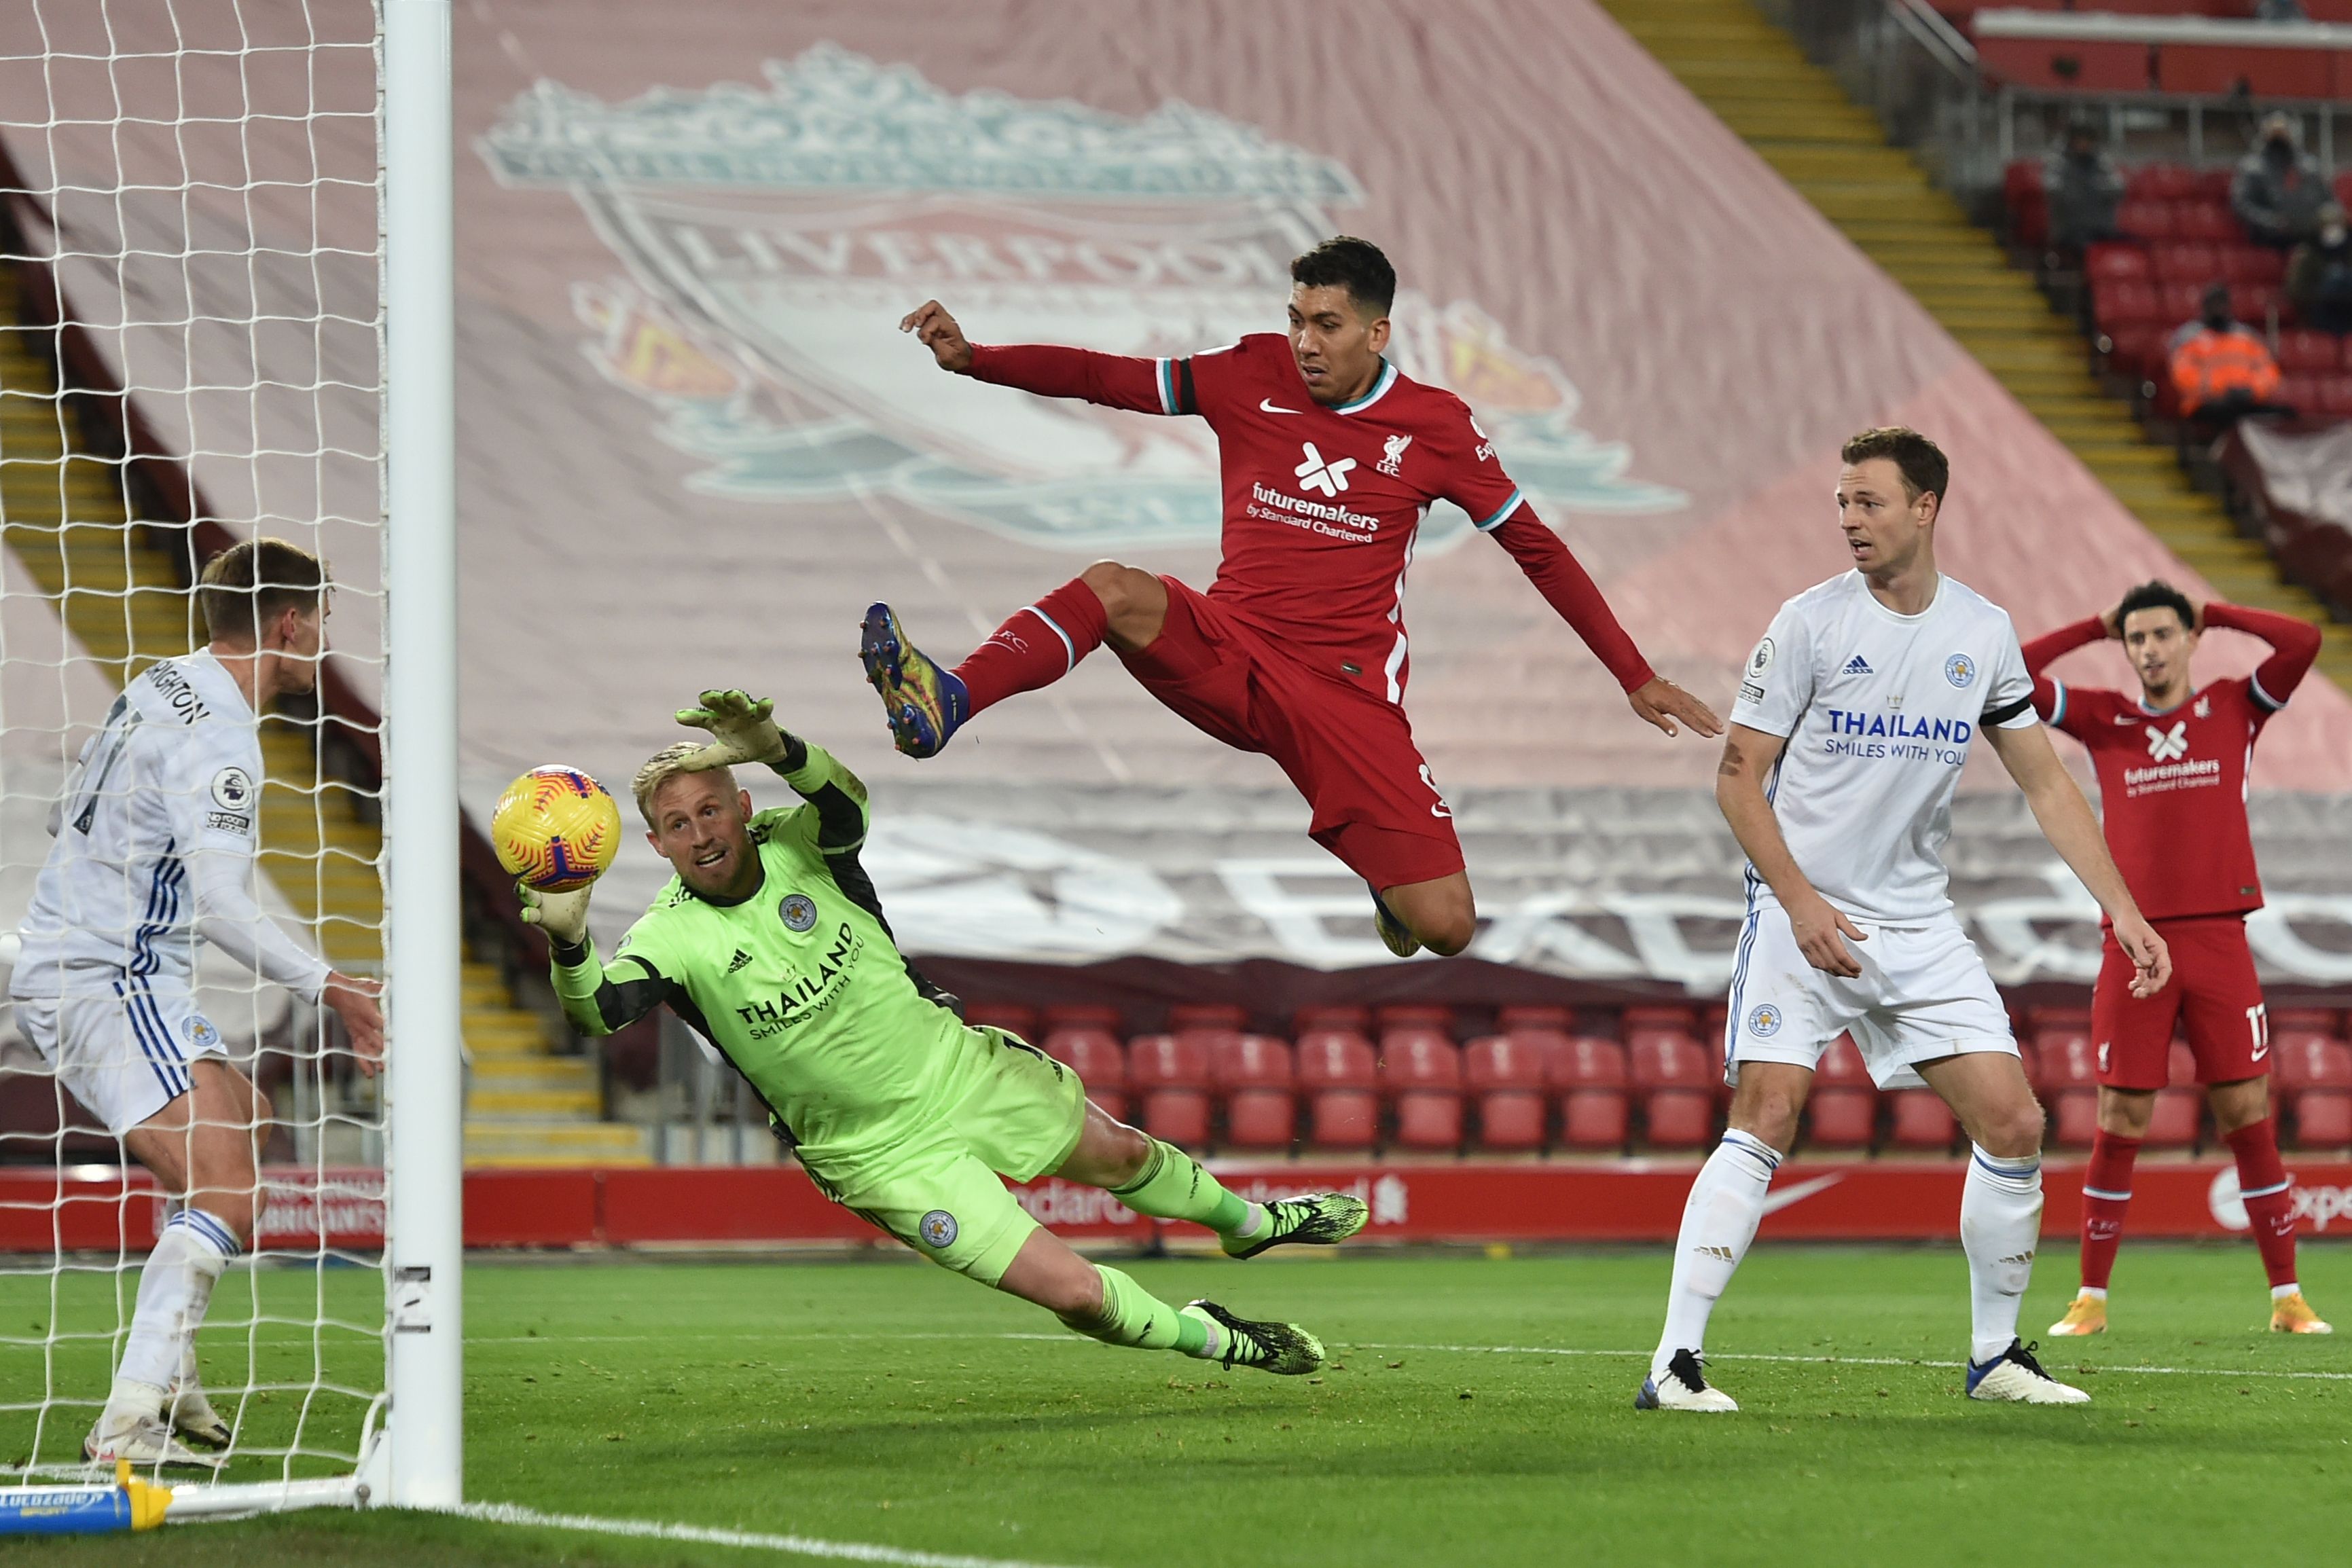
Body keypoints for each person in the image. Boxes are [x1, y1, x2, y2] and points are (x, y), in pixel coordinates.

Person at [870, 236, 1721, 961]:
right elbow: (1106, 376)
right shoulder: (1250, 371)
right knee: (1113, 588)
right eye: (1296, 319)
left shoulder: (1436, 426)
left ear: (1377, 332)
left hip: (1343, 695)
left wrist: (1634, 674)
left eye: (1327, 325)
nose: (1306, 342)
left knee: (1447, 927)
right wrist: (977, 359)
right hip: (1231, 649)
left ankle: (1388, 888)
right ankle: (949, 699)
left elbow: (1537, 549)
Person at [528, 691, 1366, 1376]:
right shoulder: (668, 937)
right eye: (678, 824)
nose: (701, 833)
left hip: (956, 1066)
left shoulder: (800, 844)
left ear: (743, 806)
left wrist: (778, 746)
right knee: (1077, 1295)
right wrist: (569, 944)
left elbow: (846, 800)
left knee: (1120, 1155)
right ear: (655, 843)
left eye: (711, 808)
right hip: (878, 1156)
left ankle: (1248, 1225)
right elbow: (599, 1009)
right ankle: (1216, 1336)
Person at [1637, 428, 2171, 1414]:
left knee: (2013, 1121)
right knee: (1766, 1112)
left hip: (1917, 923)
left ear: (1925, 508)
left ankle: (1993, 1355)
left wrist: (2122, 909)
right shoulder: (1806, 622)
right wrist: (1798, 901)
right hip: (1800, 912)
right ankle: (1674, 1361)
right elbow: (1737, 776)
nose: (1849, 519)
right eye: (1842, 503)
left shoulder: (1981, 630)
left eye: (1868, 502)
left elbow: (2045, 783)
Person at [7, 538, 386, 1464]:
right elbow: (218, 902)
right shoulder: (221, 737)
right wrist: (333, 986)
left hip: (99, 963)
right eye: (320, 621)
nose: (322, 640)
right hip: (111, 976)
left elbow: (65, 814)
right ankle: (130, 1418)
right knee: (231, 1192)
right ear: (288, 623)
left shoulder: (159, 682)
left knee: (246, 1118)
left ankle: (171, 1374)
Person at [2025, 583, 2330, 1338]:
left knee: (2247, 1114)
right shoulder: (2104, 716)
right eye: (2136, 638)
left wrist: (2216, 612)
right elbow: (2015, 675)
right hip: (2132, 941)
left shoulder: (2234, 706)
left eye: (2164, 633)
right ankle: (2090, 1299)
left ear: (2189, 639)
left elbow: (2302, 641)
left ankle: (2287, 1296)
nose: (2150, 649)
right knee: (2119, 1116)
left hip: (2219, 937)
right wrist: (2093, 627)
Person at [2167, 282, 2285, 429]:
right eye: (2214, 303)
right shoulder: (2189, 338)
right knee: (2226, 414)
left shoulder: (2247, 337)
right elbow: (2184, 376)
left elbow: (2268, 372)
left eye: (2222, 303)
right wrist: (2223, 392)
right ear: (2205, 306)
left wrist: (2252, 391)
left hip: (2246, 400)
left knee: (2284, 414)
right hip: (2206, 404)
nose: (2219, 308)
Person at [2232, 113, 2330, 250]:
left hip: (2312, 230)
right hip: (2273, 233)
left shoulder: (2309, 166)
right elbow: (2243, 205)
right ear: (2265, 135)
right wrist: (2271, 222)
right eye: (2275, 132)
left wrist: (2330, 218)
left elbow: (2328, 200)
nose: (2279, 136)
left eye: (2283, 132)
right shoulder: (2252, 167)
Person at [2042, 120, 2124, 257]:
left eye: (2088, 141)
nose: (2084, 144)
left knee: (2130, 244)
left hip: (2101, 226)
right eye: (2079, 140)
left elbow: (2117, 188)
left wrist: (2098, 190)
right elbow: (2053, 190)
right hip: (2069, 229)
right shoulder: (2059, 162)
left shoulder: (2101, 162)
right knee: (2087, 248)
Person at [2286, 204, 2352, 335]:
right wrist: (2323, 293)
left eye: (2337, 224)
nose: (2333, 229)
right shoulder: (2307, 253)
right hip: (2321, 310)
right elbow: (2296, 289)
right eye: (2328, 224)